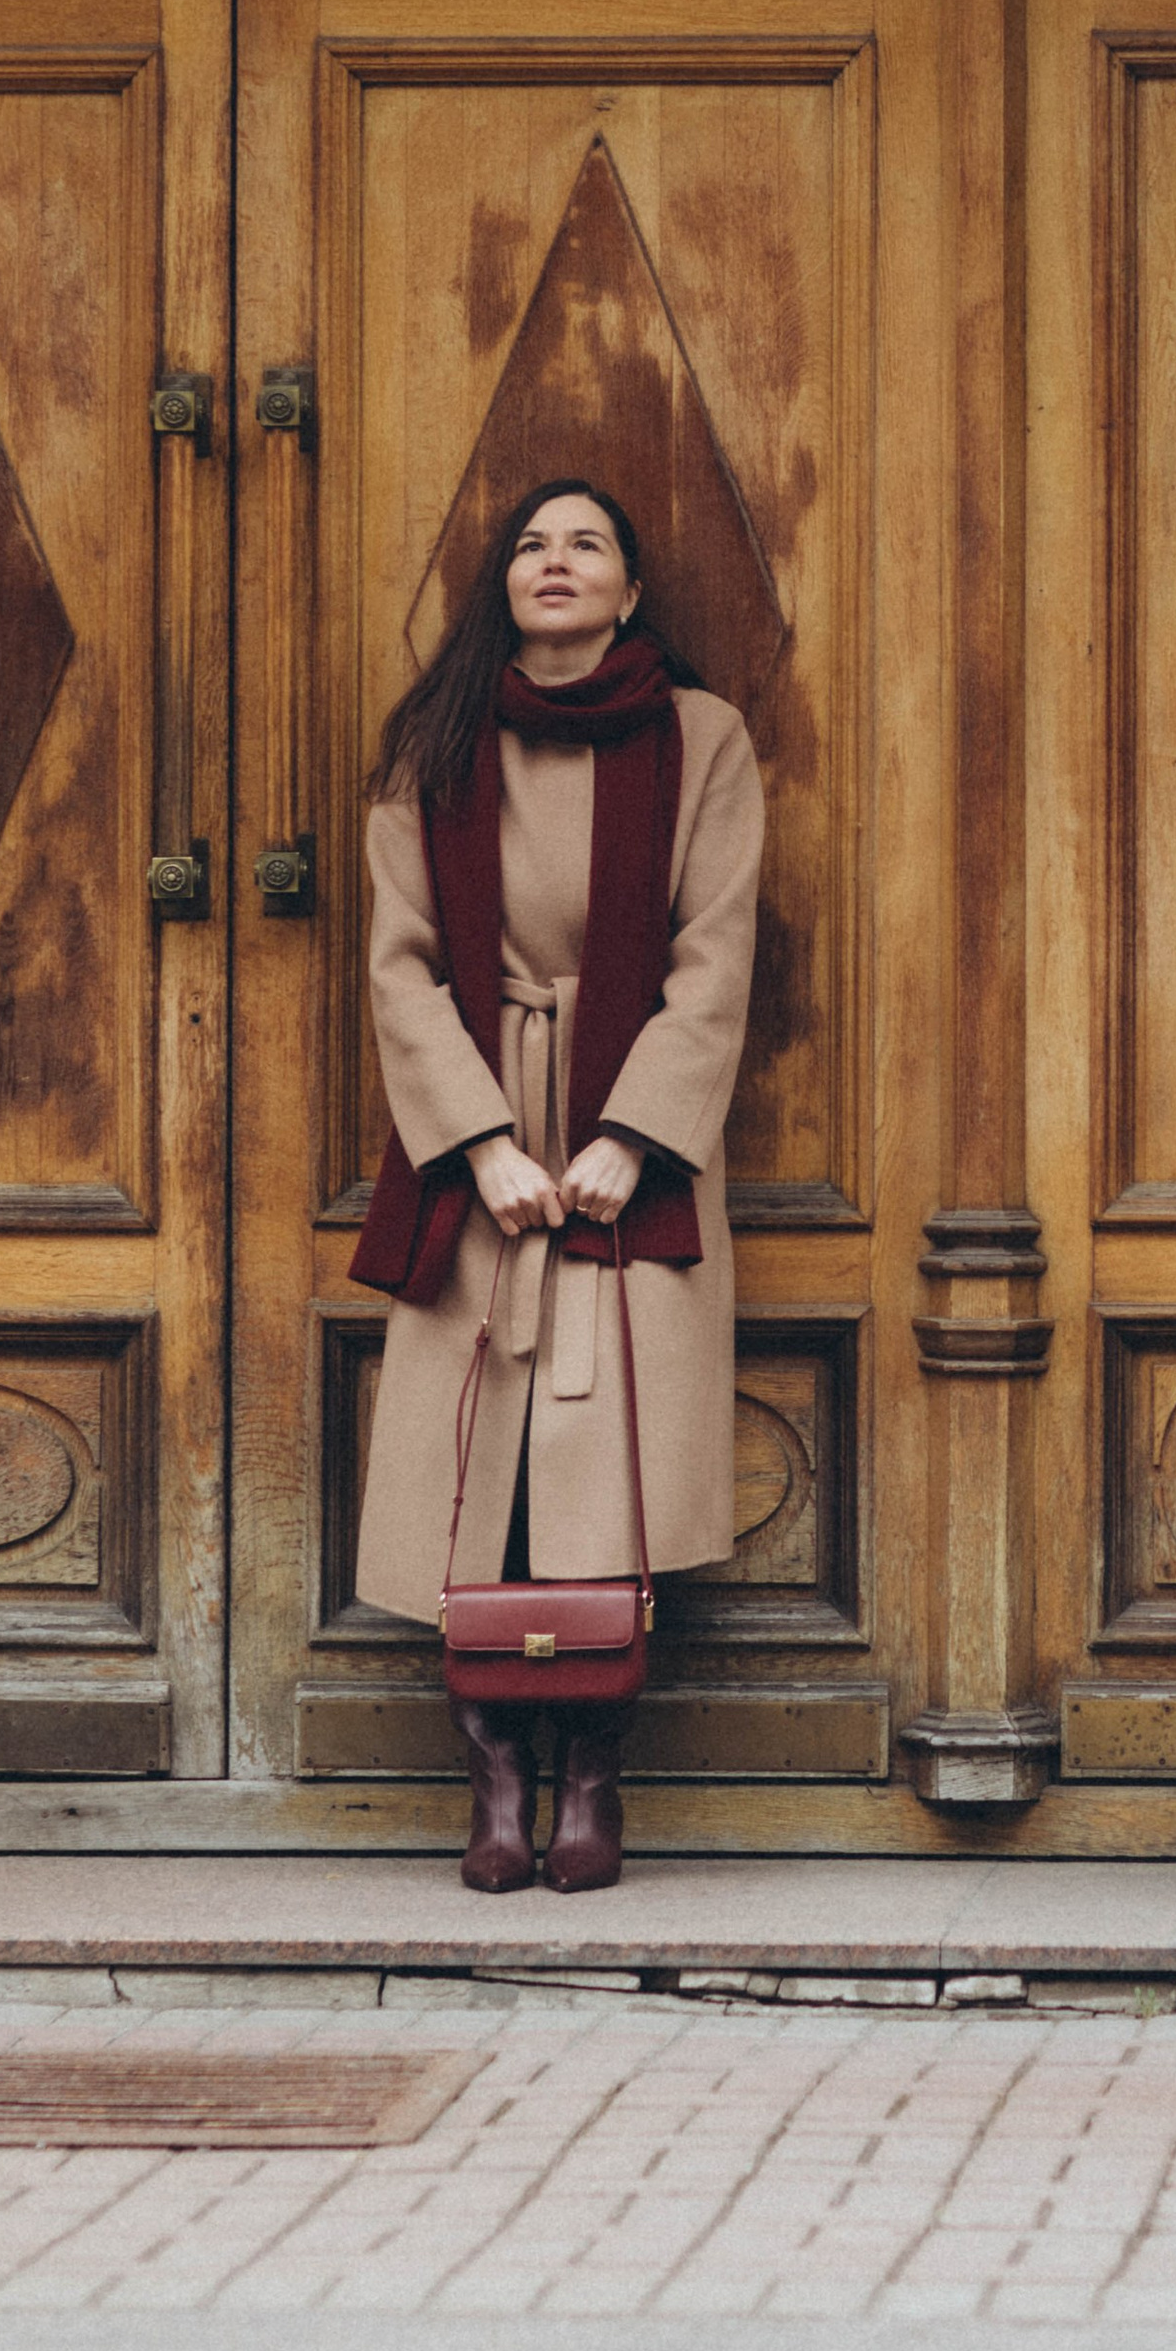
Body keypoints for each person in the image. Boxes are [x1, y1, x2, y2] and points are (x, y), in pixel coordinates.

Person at [349, 477, 762, 1894]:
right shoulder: (437, 742)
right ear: (503, 585)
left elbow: (715, 956)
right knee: (479, 1477)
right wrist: (478, 1143)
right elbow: (400, 967)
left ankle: (594, 1779)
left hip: (623, 1140)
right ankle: (496, 1784)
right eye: (531, 544)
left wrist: (630, 1135)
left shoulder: (702, 741)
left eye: (586, 542)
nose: (556, 561)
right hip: (478, 1137)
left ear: (631, 589)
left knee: (605, 1472)